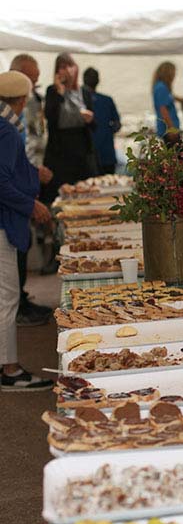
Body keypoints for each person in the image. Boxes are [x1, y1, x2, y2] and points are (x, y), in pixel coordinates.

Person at [0, 71, 54, 391]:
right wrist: (31, 205)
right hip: (4, 222)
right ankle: (10, 369)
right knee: (7, 298)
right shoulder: (7, 131)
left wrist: (31, 174)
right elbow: (2, 182)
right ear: (21, 101)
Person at [8, 54, 53, 327]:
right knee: (15, 251)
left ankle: (21, 300)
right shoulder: (7, 124)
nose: (35, 86)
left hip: (22, 185)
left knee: (21, 248)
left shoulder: (15, 116)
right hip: (13, 196)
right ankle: (18, 307)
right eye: (32, 80)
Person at [42, 53, 98, 206]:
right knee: (60, 198)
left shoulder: (84, 92)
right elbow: (50, 117)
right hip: (60, 155)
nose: (66, 70)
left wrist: (90, 119)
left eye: (69, 66)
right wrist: (60, 92)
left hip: (81, 153)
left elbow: (95, 126)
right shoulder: (52, 91)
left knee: (86, 196)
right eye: (62, 67)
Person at [82, 68, 120, 175]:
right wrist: (107, 132)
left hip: (87, 156)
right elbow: (117, 125)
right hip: (107, 154)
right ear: (98, 81)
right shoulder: (107, 100)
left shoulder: (79, 101)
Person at [152, 61, 183, 142]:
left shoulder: (163, 87)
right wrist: (171, 129)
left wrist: (182, 100)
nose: (174, 75)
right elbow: (163, 110)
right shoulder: (161, 87)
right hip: (168, 131)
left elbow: (170, 98)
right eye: (173, 72)